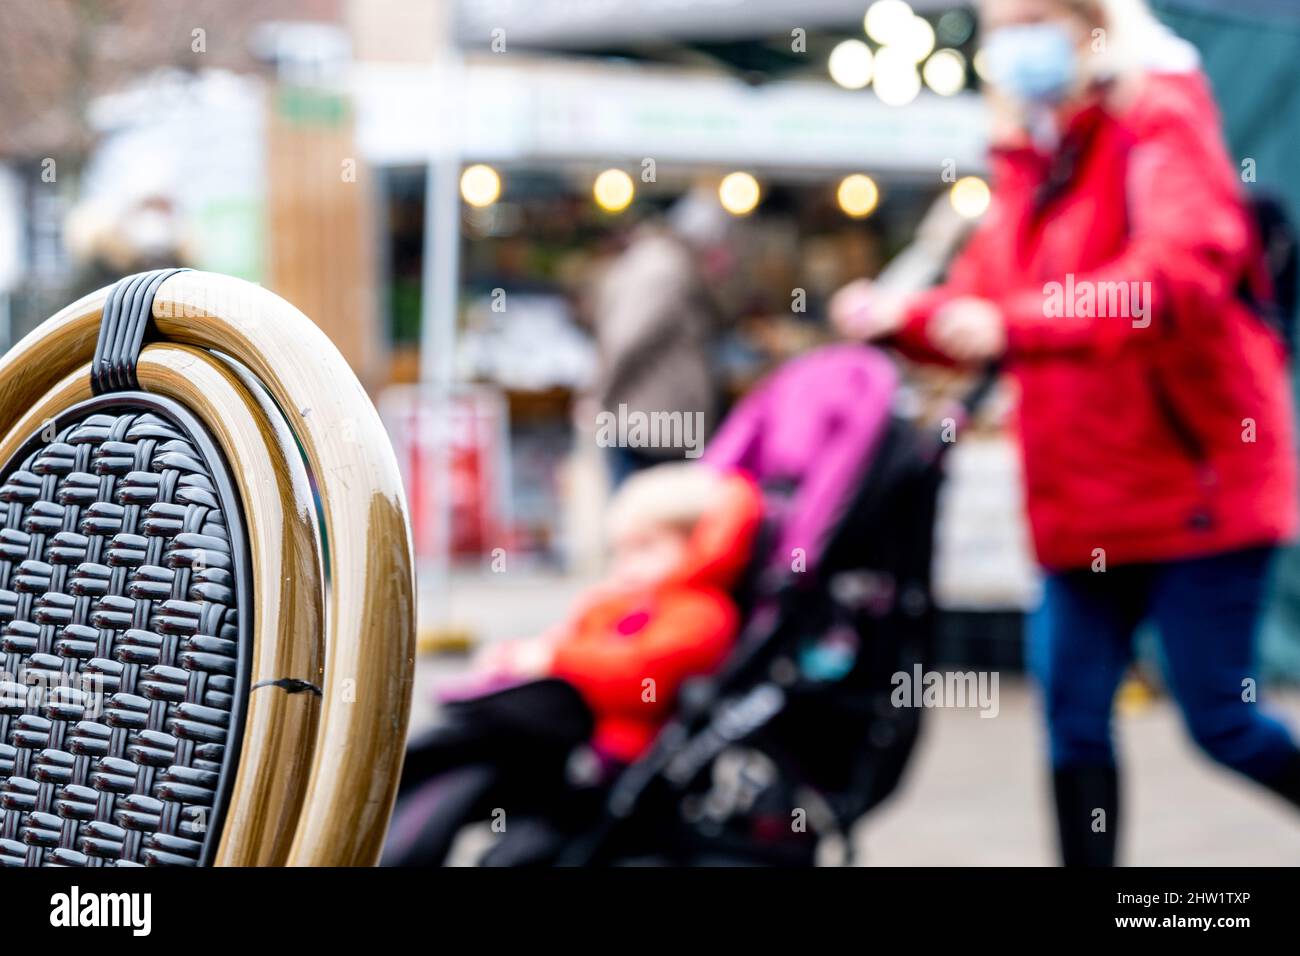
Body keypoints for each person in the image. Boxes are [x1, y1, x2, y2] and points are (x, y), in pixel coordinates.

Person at [830, 0, 1300, 865]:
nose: (1016, 43)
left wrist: (1020, 324)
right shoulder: (1027, 164)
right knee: (1073, 723)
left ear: (1092, 23)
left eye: (1035, 18)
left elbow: (1176, 276)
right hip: (1078, 506)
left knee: (1221, 722)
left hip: (1198, 491)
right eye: (1002, 25)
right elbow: (984, 304)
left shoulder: (1161, 122)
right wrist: (901, 317)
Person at [383, 462, 763, 865]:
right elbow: (571, 641)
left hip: (602, 759)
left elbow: (640, 678)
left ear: (697, 544)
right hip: (564, 747)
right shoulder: (621, 603)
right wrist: (522, 655)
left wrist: (555, 658)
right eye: (621, 551)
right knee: (459, 768)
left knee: (480, 780)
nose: (628, 565)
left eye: (646, 548)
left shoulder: (700, 612)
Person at [589, 191, 730, 486]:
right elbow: (625, 338)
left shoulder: (663, 263)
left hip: (656, 422)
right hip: (654, 427)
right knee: (644, 520)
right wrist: (599, 397)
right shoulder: (664, 268)